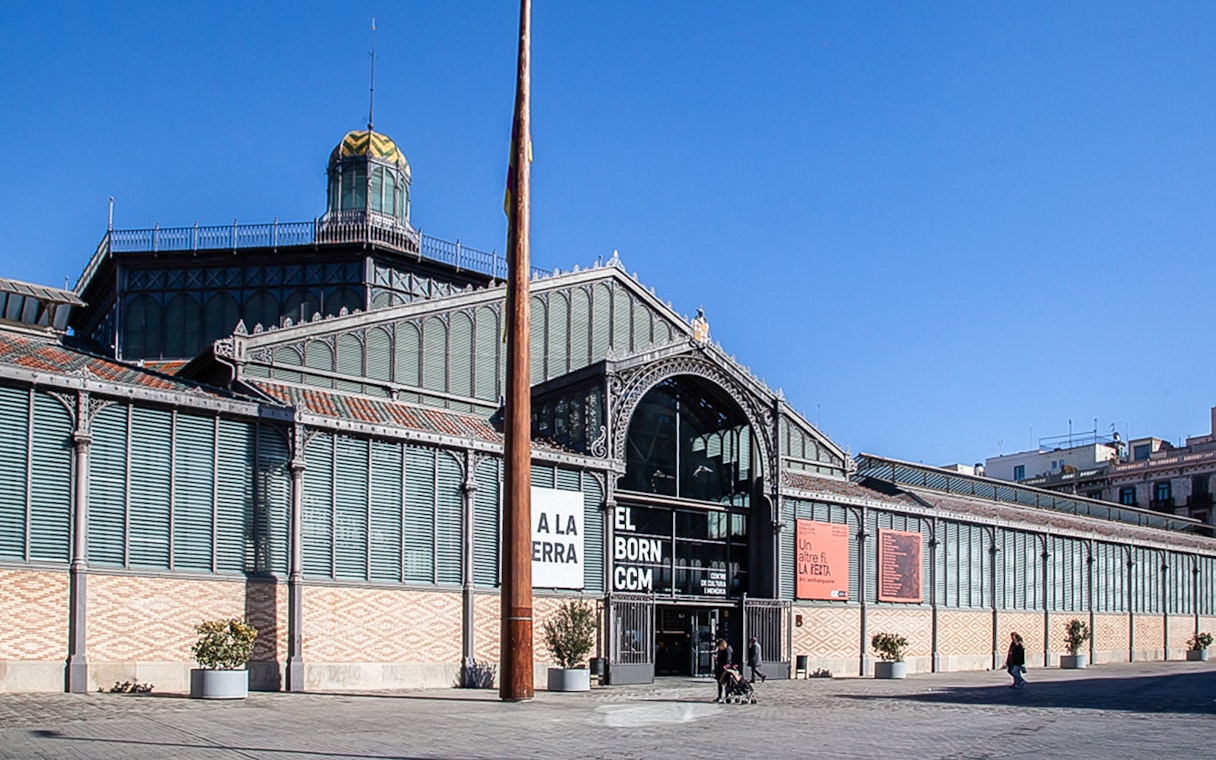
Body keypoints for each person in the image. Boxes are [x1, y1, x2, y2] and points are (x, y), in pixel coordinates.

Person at [713, 638, 734, 703]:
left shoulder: (728, 650)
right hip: (720, 668)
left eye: (720, 647)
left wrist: (726, 666)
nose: (719, 648)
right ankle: (720, 696)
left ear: (722, 645)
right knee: (719, 682)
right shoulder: (721, 650)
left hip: (725, 669)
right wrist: (717, 658)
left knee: (726, 683)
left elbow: (728, 660)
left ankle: (726, 696)